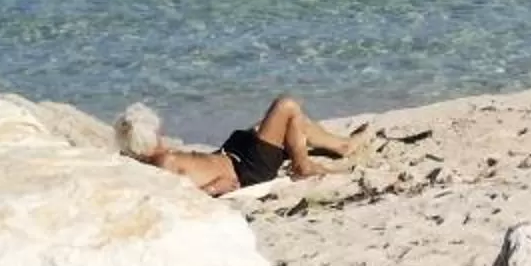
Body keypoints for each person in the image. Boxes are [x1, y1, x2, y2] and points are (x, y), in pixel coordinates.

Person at [115, 96, 358, 195]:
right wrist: (213, 189)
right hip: (248, 168)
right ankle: (303, 165)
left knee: (289, 123)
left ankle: (341, 146)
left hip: (234, 154)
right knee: (286, 106)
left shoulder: (156, 158)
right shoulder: (163, 162)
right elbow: (179, 197)